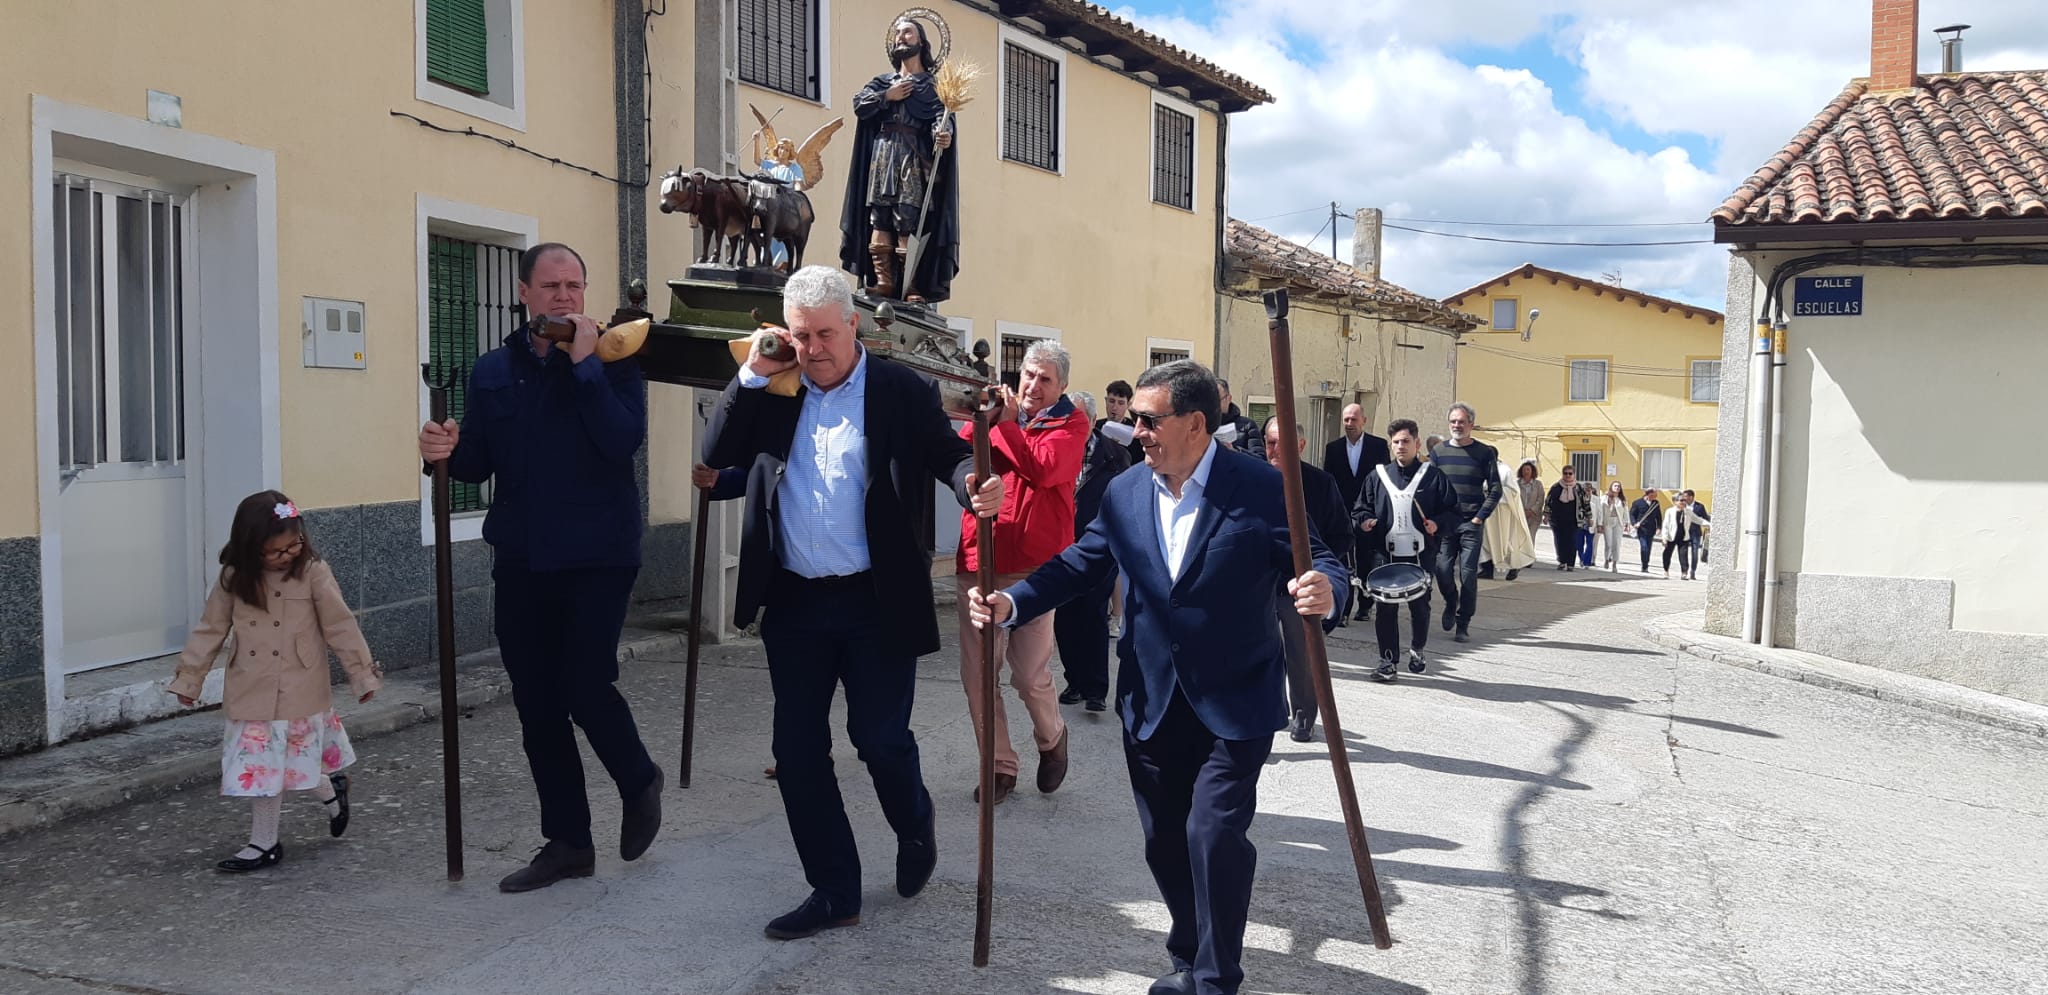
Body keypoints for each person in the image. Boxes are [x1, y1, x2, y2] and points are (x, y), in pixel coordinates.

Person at [965, 360, 1341, 995]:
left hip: (1236, 698)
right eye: (1135, 418)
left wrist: (1328, 590)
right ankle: (1189, 955)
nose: (1135, 430)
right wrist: (1014, 602)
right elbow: (1083, 562)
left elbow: (1317, 556)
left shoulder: (1260, 487)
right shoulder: (1127, 491)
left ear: (1196, 424)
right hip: (1151, 696)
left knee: (1214, 833)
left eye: (1147, 419)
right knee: (1165, 843)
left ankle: (1217, 979)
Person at [702, 265, 1003, 940]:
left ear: (854, 325)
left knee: (880, 739)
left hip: (875, 601)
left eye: (825, 334)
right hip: (797, 602)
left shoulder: (898, 387)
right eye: (801, 334)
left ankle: (915, 822)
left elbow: (944, 455)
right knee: (797, 749)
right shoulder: (775, 389)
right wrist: (751, 372)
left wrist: (974, 481)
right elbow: (716, 451)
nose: (813, 348)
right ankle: (835, 886)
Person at [417, 242, 665, 894]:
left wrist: (585, 365)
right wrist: (442, 449)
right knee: (537, 704)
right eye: (551, 285)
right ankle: (568, 842)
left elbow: (621, 441)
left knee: (585, 684)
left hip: (599, 554)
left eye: (574, 285)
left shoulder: (616, 359)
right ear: (525, 291)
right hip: (524, 555)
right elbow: (476, 461)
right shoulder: (495, 369)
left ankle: (639, 779)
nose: (564, 296)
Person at [167, 491, 382, 873]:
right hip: (251, 687)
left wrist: (361, 674)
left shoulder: (313, 570)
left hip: (299, 687)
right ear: (251, 547)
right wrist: (189, 680)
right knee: (263, 768)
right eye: (275, 551)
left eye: (293, 545)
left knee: (293, 766)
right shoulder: (234, 578)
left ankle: (329, 793)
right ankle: (264, 843)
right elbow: (210, 629)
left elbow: (340, 625)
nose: (287, 556)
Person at [954, 340, 1088, 804]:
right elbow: (961, 460)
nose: (1032, 385)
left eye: (1044, 378)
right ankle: (999, 766)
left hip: (1036, 568)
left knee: (1029, 674)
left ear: (1062, 385)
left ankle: (1052, 738)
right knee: (979, 675)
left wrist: (1006, 426)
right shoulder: (997, 414)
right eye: (1029, 374)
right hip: (981, 559)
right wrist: (984, 421)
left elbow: (1043, 470)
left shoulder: (1073, 422)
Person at [839, 16, 959, 303]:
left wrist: (943, 135)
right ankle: (883, 282)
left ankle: (910, 284)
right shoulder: (883, 83)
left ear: (921, 42)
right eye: (897, 33)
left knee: (908, 218)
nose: (901, 37)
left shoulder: (933, 87)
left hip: (912, 158)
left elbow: (943, 118)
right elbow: (860, 105)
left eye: (907, 32)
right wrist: (887, 96)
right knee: (879, 217)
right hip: (883, 154)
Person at [1265, 417, 1351, 742]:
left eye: (1281, 443)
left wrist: (1320, 573)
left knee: (1301, 653)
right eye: (1269, 441)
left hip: (1299, 586)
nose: (1273, 449)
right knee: (1261, 652)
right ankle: (1269, 712)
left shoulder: (1319, 483)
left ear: (1300, 446)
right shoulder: (1252, 479)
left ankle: (1303, 715)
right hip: (1262, 584)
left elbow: (1341, 535)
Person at [1355, 420, 1459, 682]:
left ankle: (1418, 649)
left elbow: (1454, 512)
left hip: (1420, 554)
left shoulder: (1433, 477)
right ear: (1391, 445)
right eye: (1396, 442)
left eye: (1405, 441)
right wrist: (1365, 522)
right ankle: (1387, 661)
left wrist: (1437, 523)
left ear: (1417, 443)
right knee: (1385, 609)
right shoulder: (1377, 476)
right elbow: (1360, 509)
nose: (1401, 446)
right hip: (1384, 553)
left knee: (1420, 607)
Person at [1055, 390, 1132, 713]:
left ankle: (1096, 688)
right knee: (1065, 618)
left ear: (1091, 419)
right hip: (1061, 545)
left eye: (1081, 418)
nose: (1076, 424)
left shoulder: (1113, 454)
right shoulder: (1056, 449)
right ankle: (1075, 679)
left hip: (1100, 545)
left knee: (1094, 614)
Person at [1429, 403, 1503, 643]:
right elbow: (1430, 487)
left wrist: (1480, 516)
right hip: (1445, 523)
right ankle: (1451, 601)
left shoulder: (1484, 453)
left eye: (1461, 421)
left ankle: (1463, 622)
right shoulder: (1438, 452)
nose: (1457, 426)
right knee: (1441, 570)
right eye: (1453, 422)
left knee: (1469, 574)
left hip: (1472, 522)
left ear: (1471, 424)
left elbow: (1495, 489)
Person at [1323, 403, 1390, 623]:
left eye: (1353, 419)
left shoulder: (1378, 446)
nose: (1349, 424)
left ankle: (1365, 604)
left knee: (1365, 560)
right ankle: (1344, 610)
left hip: (1368, 514)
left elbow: (1385, 481)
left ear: (1364, 421)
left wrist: (1378, 513)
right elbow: (1328, 481)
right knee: (1343, 561)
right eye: (1346, 420)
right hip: (1341, 514)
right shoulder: (1333, 448)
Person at [1481, 455, 1537, 581]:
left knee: (1504, 541)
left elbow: (1513, 491)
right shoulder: (1481, 468)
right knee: (1485, 541)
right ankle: (1487, 569)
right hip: (1485, 510)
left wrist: (1493, 490)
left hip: (1502, 510)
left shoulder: (1504, 470)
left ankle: (1514, 567)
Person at [1546, 466, 1588, 572]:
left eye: (1570, 473)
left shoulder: (1579, 488)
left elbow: (1585, 503)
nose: (1568, 475)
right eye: (1565, 473)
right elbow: (1548, 502)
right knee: (1560, 540)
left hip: (1574, 519)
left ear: (1574, 475)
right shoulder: (1556, 487)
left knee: (1572, 541)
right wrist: (1546, 515)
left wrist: (1589, 517)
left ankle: (1570, 563)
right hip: (1557, 519)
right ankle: (1562, 561)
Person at [1214, 377, 1265, 460]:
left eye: (1217, 400)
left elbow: (1260, 459)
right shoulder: (1202, 425)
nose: (1213, 405)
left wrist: (1235, 450)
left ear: (1229, 398)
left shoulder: (1247, 425)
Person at [1660, 490, 1701, 579]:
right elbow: (1665, 525)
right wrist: (1664, 537)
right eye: (1681, 500)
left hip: (1683, 536)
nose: (1683, 502)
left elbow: (1698, 519)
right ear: (1675, 502)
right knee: (1667, 554)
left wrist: (1710, 524)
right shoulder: (1670, 511)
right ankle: (1666, 570)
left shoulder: (1688, 511)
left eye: (1684, 500)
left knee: (1683, 555)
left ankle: (1684, 572)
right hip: (1671, 536)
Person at [1628, 488, 1664, 573]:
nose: (1656, 496)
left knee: (1649, 547)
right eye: (1654, 494)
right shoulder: (1637, 503)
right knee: (1644, 547)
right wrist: (1634, 523)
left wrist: (1659, 527)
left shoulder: (1656, 503)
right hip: (1641, 528)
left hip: (1651, 528)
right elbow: (1632, 514)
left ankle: (1645, 565)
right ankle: (1644, 564)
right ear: (1649, 494)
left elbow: (1658, 516)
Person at [1596, 481, 1629, 572]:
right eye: (1615, 486)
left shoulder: (1622, 499)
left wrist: (1627, 523)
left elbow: (1626, 512)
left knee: (1617, 543)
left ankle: (1614, 563)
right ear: (1611, 487)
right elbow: (1600, 512)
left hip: (1618, 522)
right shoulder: (1604, 498)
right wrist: (1600, 523)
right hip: (1607, 522)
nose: (1617, 487)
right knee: (1609, 543)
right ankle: (1607, 559)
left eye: (1619, 486)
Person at [1576, 480, 1599, 567]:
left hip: (1591, 525)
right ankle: (1582, 558)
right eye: (1585, 489)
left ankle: (1587, 561)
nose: (1587, 491)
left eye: (1589, 489)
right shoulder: (1578, 499)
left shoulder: (1596, 499)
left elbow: (1599, 512)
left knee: (1590, 544)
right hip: (1580, 524)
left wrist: (1599, 524)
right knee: (1579, 544)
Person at [1686, 489, 1712, 564]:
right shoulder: (1683, 506)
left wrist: (1708, 525)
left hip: (1695, 533)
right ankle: (1685, 569)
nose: (1683, 499)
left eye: (1686, 497)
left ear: (1691, 497)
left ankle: (1693, 571)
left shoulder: (1700, 506)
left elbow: (1705, 518)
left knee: (1695, 552)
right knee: (1683, 552)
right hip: (1684, 533)